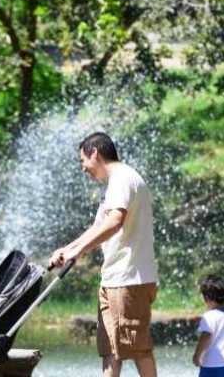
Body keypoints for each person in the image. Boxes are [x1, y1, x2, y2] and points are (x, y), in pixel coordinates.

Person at [49, 132, 159, 377]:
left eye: (83, 160)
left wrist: (78, 251)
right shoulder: (115, 183)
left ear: (95, 153)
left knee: (138, 348)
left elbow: (115, 222)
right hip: (114, 279)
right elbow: (99, 226)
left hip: (129, 279)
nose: (83, 168)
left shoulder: (122, 178)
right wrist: (69, 249)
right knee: (110, 349)